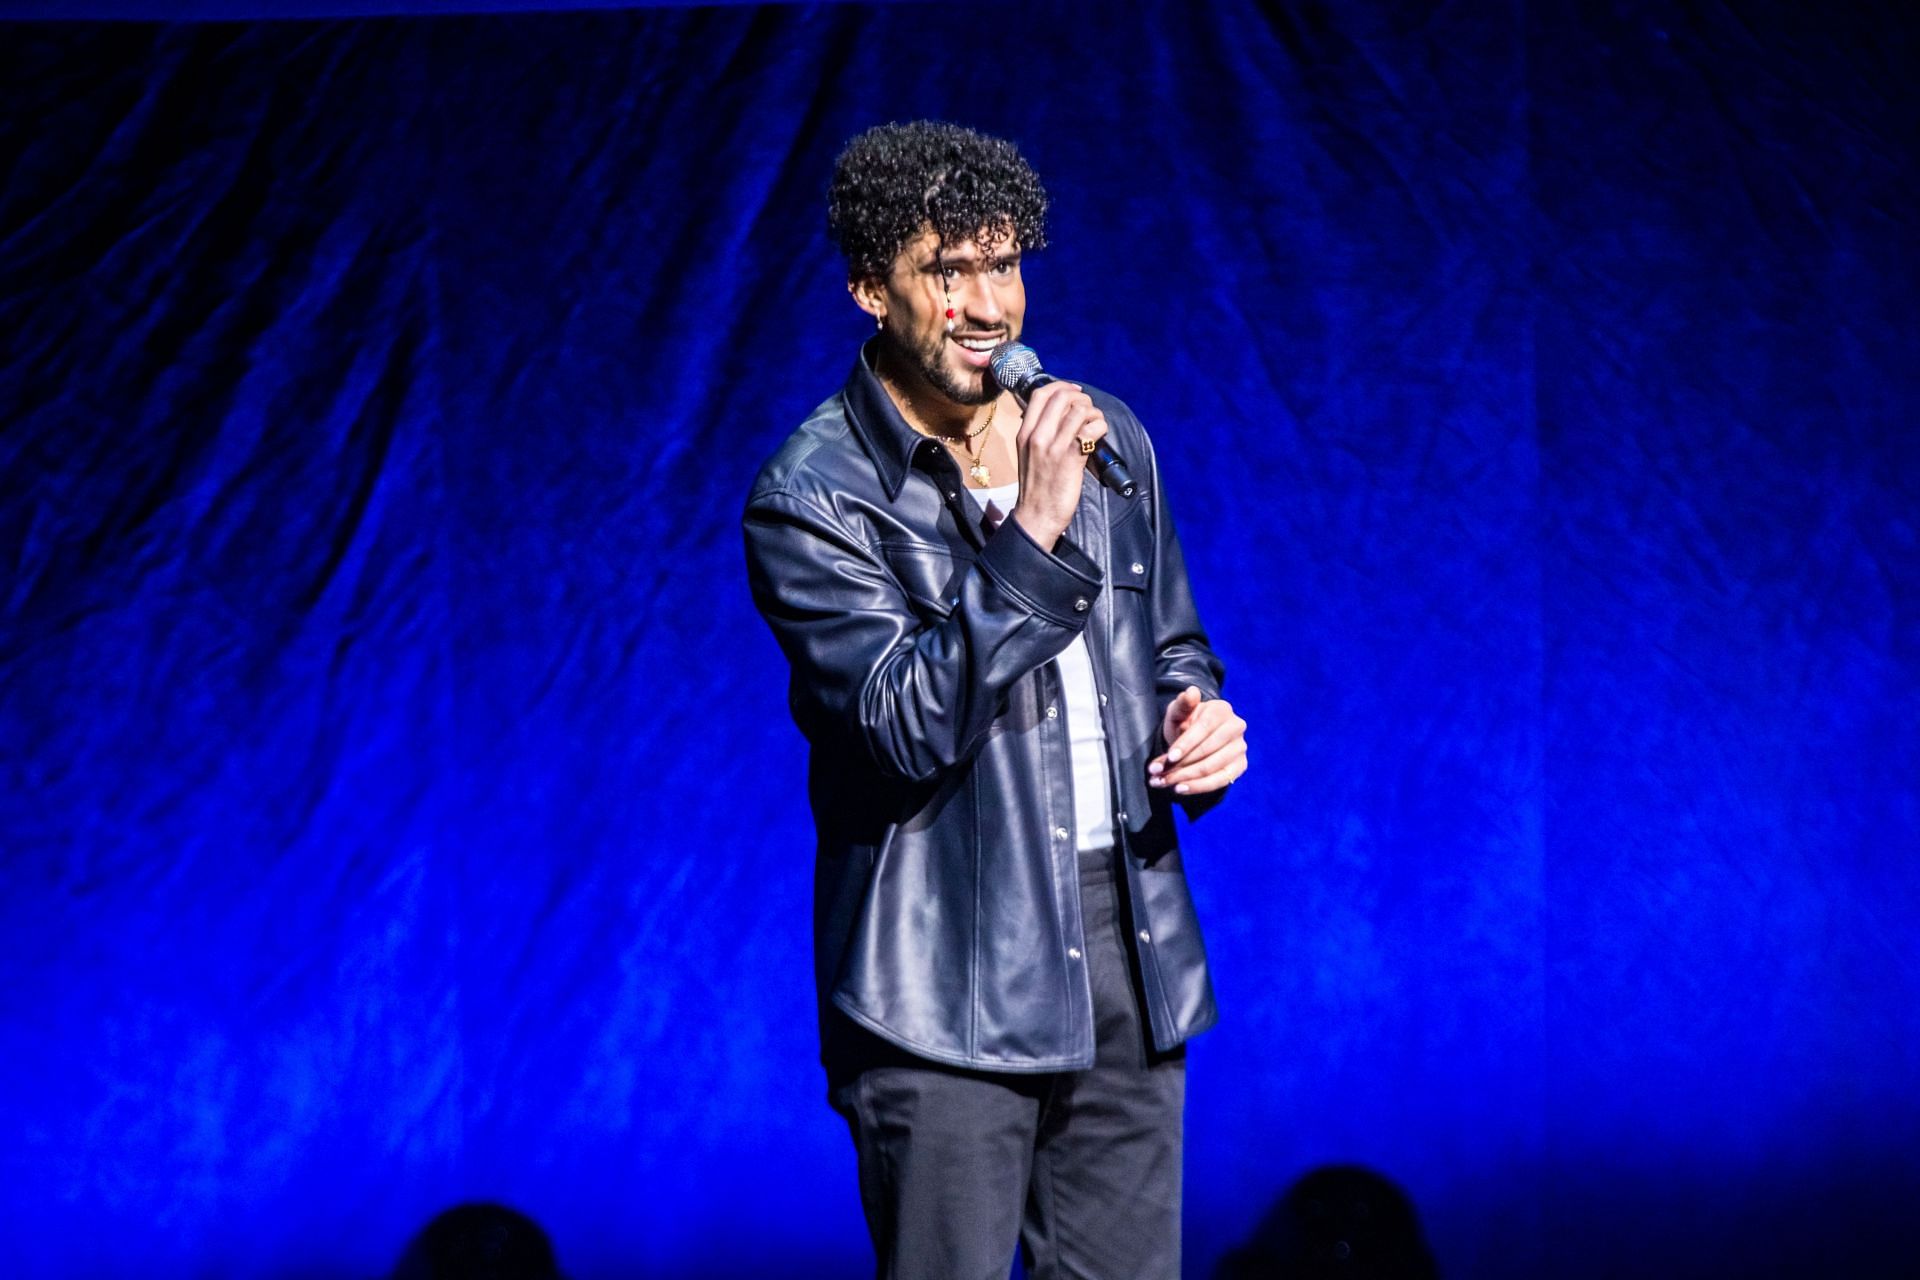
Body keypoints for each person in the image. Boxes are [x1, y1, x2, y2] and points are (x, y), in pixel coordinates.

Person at [743, 120, 1248, 1280]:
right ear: (871, 287)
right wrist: (1031, 529)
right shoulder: (815, 498)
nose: (988, 305)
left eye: (1004, 263)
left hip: (1122, 941)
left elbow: (1172, 645)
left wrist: (1196, 720)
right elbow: (904, 727)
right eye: (947, 270)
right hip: (942, 983)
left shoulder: (1103, 436)